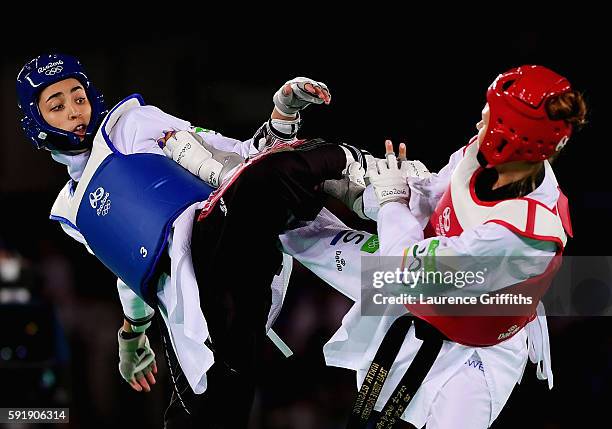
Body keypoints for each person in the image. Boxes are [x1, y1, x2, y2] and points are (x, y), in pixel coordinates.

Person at [15, 53, 377, 428]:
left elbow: (240, 157)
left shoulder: (132, 124)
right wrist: (132, 333)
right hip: (198, 318)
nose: (75, 111)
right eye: (56, 106)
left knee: (266, 190)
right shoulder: (70, 212)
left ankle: (356, 171)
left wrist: (281, 119)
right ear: (36, 123)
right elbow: (130, 269)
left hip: (216, 238)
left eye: (78, 97)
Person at [319, 65, 587, 428]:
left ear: (509, 138)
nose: (479, 125)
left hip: (475, 349)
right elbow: (435, 195)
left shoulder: (524, 235)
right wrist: (373, 195)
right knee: (301, 232)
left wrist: (392, 201)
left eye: (488, 119)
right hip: (421, 283)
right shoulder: (487, 154)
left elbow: (405, 270)